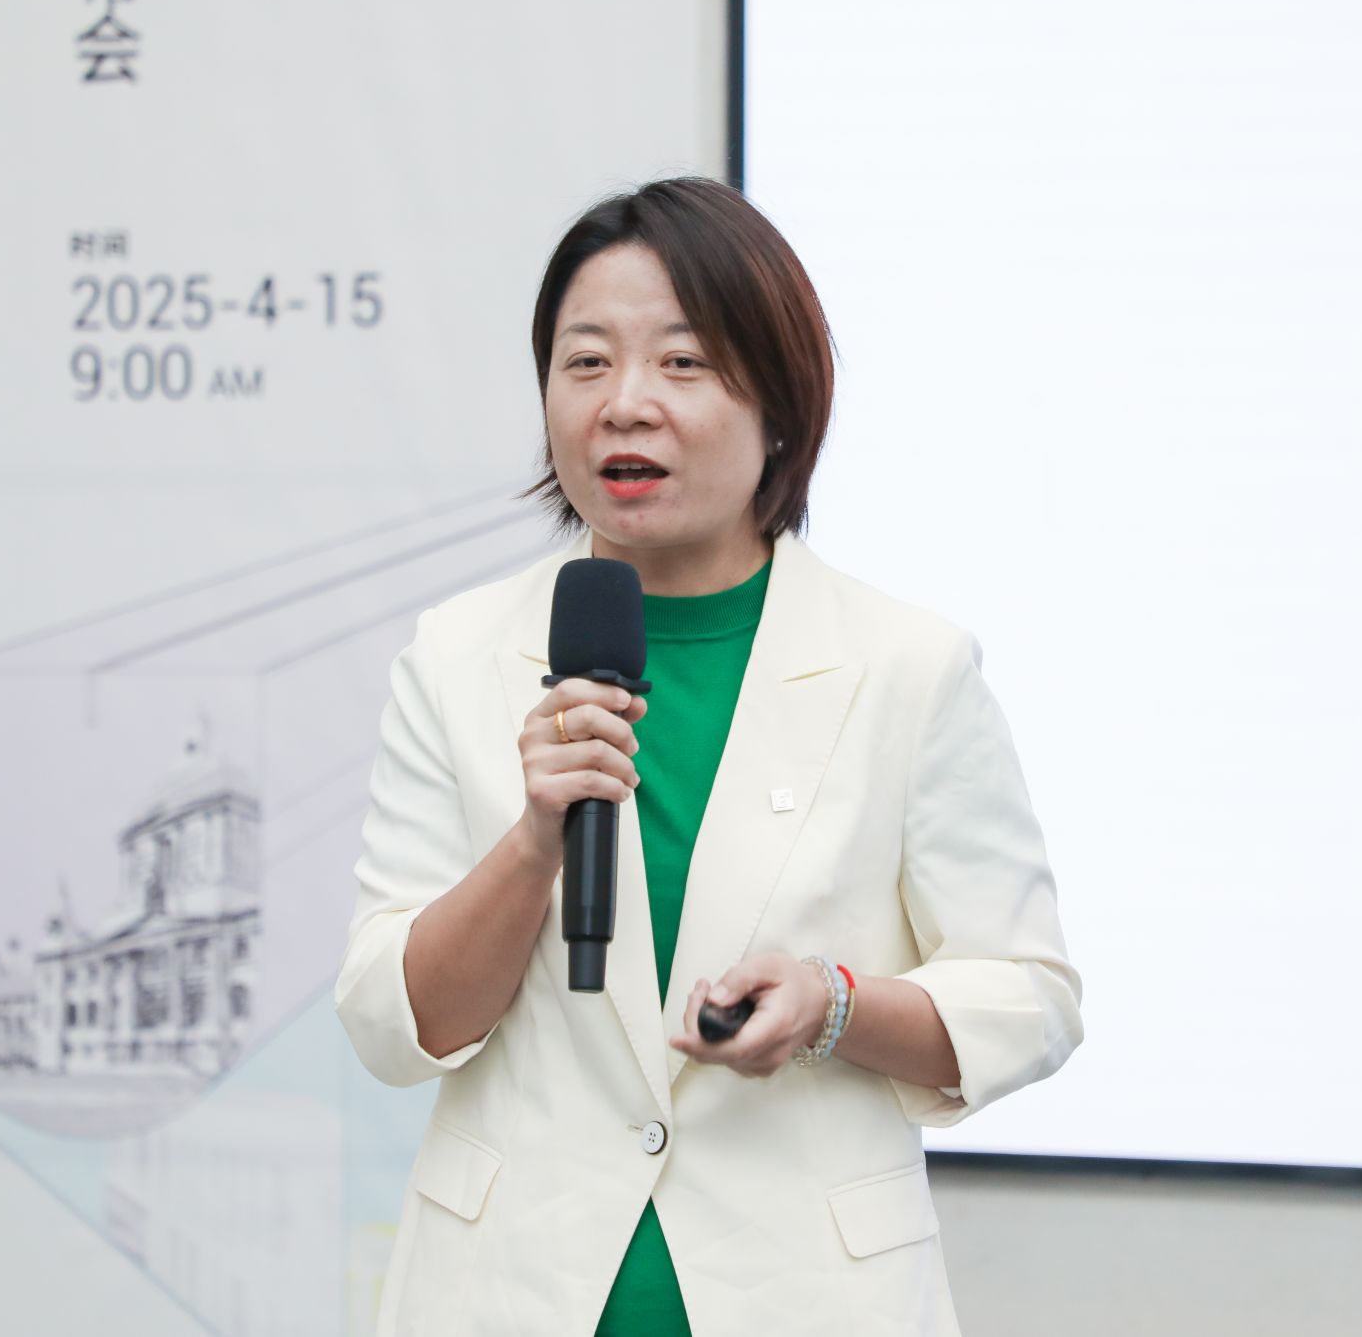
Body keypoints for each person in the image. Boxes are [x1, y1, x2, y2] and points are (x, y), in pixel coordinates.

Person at [333, 176, 1083, 1335]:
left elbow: (1027, 998)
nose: (624, 404)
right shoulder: (457, 656)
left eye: (681, 363)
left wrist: (833, 1006)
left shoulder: (905, 665)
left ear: (779, 402)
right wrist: (532, 843)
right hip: (509, 1296)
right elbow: (394, 1024)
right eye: (585, 363)